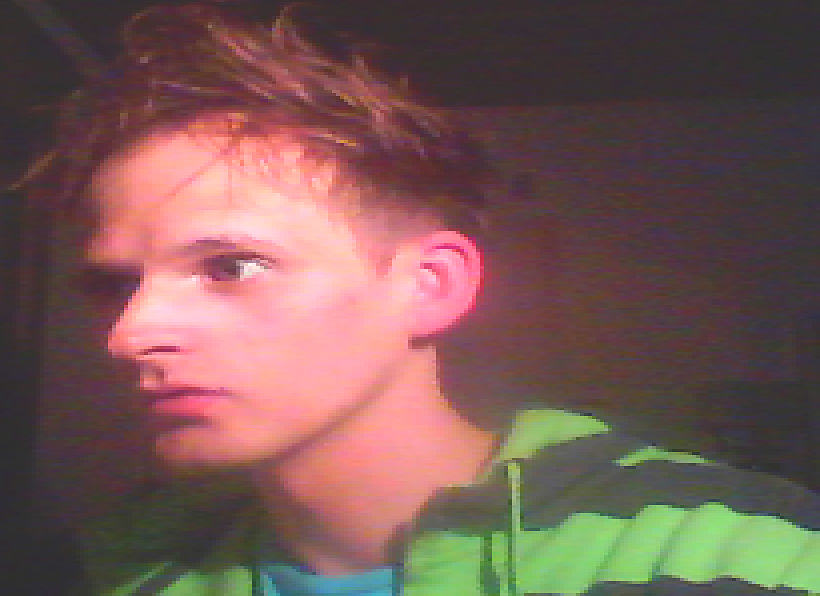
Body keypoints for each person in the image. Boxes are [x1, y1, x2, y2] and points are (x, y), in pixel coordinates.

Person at [24, 3, 820, 595]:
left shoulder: (733, 554)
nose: (130, 334)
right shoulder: (113, 572)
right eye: (115, 285)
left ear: (431, 286)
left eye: (231, 266)